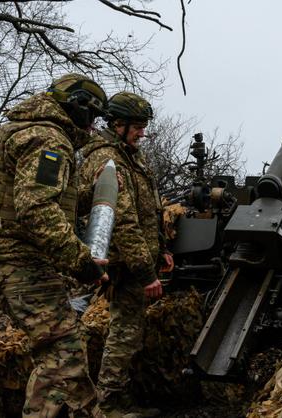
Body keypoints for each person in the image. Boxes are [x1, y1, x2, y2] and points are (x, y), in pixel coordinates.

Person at [0, 73, 110, 417]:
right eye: (93, 116)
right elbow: (35, 209)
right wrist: (81, 261)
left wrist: (90, 195)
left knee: (64, 342)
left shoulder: (19, 129)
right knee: (63, 350)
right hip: (10, 256)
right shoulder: (48, 138)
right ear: (80, 107)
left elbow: (33, 199)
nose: (93, 126)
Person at [78, 91, 173, 416]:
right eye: (138, 126)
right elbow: (122, 220)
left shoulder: (129, 156)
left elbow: (149, 211)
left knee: (130, 333)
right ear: (118, 124)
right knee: (124, 335)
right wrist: (147, 273)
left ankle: (119, 400)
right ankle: (108, 405)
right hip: (127, 265)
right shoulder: (108, 158)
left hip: (139, 259)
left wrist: (161, 251)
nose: (142, 132)